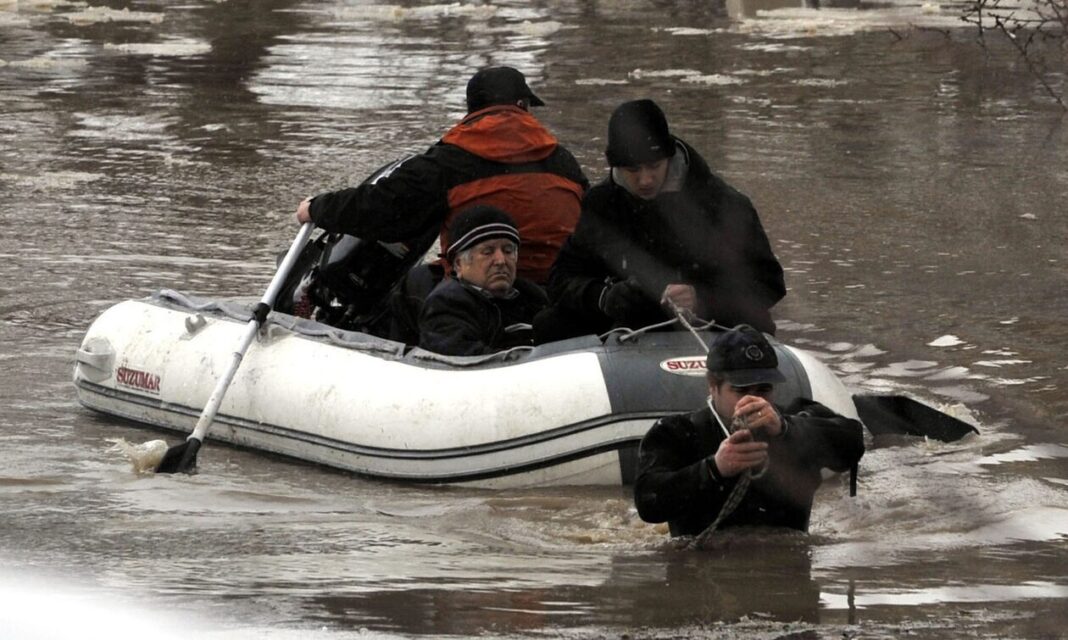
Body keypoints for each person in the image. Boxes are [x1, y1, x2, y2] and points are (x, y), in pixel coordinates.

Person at [295, 65, 588, 287]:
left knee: (408, 292)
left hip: (484, 287)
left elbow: (382, 206)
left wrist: (318, 207)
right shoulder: (562, 159)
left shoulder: (452, 159)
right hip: (560, 288)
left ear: (472, 110)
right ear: (522, 106)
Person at [539, 99, 785, 342]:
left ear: (669, 157)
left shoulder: (722, 203)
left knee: (756, 322)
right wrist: (606, 297)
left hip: (714, 323)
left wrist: (700, 298)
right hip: (632, 324)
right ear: (617, 167)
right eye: (633, 170)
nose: (645, 180)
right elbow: (561, 279)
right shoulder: (602, 204)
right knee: (548, 323)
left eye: (654, 166)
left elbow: (769, 284)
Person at [633, 324, 865, 538]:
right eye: (741, 390)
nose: (754, 400)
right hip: (704, 562)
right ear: (713, 387)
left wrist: (785, 430)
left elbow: (852, 442)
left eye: (764, 389)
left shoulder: (798, 417)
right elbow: (648, 502)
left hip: (785, 566)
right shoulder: (677, 433)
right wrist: (714, 469)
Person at [418, 206, 548, 356]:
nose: (501, 260)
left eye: (508, 251)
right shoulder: (447, 304)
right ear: (459, 264)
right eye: (488, 252)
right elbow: (467, 362)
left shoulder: (535, 297)